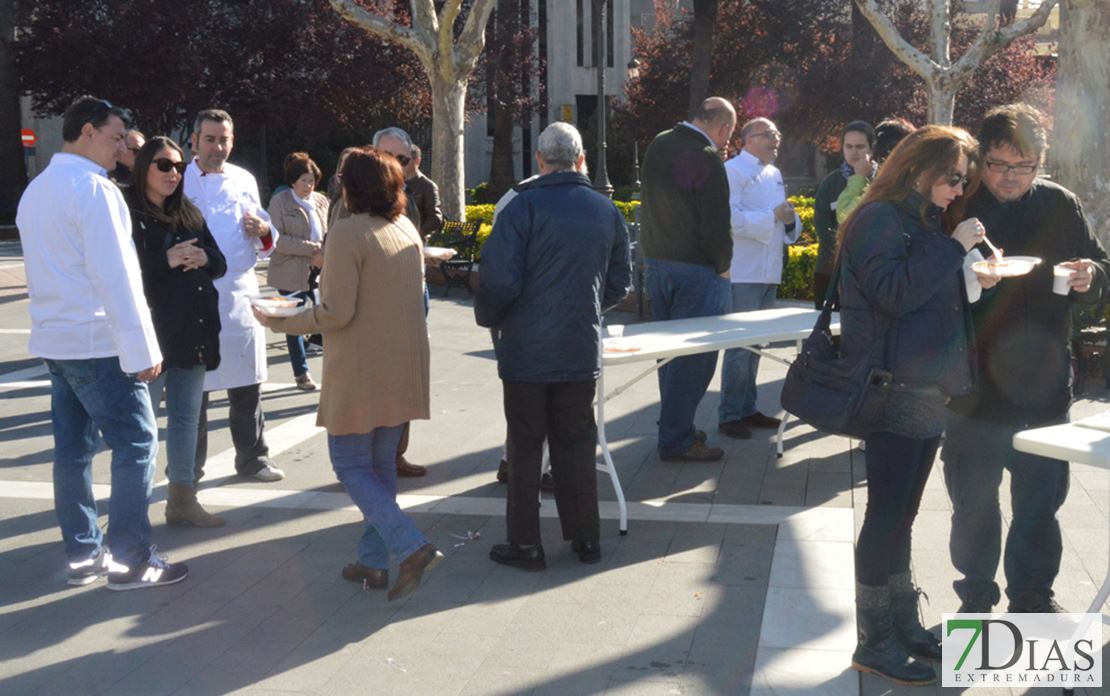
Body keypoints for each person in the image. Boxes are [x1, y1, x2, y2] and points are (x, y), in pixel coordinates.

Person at [253, 146, 444, 601]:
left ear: (353, 186)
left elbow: (335, 313)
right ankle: (373, 563)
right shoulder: (404, 228)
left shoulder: (348, 233)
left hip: (362, 370)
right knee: (378, 467)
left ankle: (410, 546)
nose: (335, 183)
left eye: (342, 177)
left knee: (351, 463)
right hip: (402, 366)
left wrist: (277, 319)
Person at [943, 103, 1108, 614]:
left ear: (1040, 161)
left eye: (1025, 165)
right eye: (998, 164)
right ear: (979, 159)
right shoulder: (958, 207)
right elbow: (926, 289)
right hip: (974, 385)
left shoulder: (1060, 203)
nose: (1011, 177)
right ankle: (975, 592)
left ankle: (1033, 595)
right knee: (973, 502)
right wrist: (961, 267)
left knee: (1040, 502)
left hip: (1044, 382)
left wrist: (1090, 278)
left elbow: (1099, 266)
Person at [17, 96, 187, 589]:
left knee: (71, 452)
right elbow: (118, 278)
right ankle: (131, 559)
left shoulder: (37, 190)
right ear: (87, 131)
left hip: (57, 340)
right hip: (98, 341)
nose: (123, 150)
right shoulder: (95, 191)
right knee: (135, 444)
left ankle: (83, 554)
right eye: (116, 138)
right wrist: (144, 350)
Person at [838, 125, 985, 685]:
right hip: (894, 387)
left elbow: (925, 295)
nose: (958, 187)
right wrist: (953, 248)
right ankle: (874, 641)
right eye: (953, 177)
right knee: (884, 515)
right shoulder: (880, 218)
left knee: (903, 514)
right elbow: (893, 293)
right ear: (921, 167)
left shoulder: (917, 217)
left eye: (963, 180)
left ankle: (902, 624)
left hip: (926, 386)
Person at [476, 122, 631, 570]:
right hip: (579, 345)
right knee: (576, 443)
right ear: (581, 159)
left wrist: (494, 318)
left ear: (540, 162)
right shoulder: (606, 211)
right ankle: (586, 539)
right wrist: (590, 307)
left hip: (526, 349)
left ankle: (525, 544)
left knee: (525, 447)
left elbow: (499, 280)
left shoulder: (521, 208)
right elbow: (621, 281)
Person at [128, 136, 227, 528]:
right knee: (143, 424)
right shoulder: (128, 212)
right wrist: (165, 259)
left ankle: (182, 500)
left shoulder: (189, 212)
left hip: (194, 329)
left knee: (187, 418)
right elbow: (120, 276)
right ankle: (133, 507)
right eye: (164, 165)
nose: (174, 173)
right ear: (144, 168)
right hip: (150, 335)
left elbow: (219, 262)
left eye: (179, 166)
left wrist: (205, 257)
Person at [184, 109, 284, 483]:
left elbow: (266, 238)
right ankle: (188, 468)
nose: (218, 147)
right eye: (210, 139)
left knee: (247, 384)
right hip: (194, 295)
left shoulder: (244, 178)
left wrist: (263, 229)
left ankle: (253, 459)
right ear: (195, 141)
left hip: (240, 293)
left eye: (224, 139)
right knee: (195, 391)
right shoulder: (179, 180)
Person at [639, 96, 736, 462]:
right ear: (723, 127)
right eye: (730, 133)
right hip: (697, 270)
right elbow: (715, 222)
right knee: (695, 360)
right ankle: (676, 439)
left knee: (668, 357)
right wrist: (723, 264)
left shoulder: (659, 143)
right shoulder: (708, 156)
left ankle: (673, 427)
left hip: (658, 265)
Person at [717, 118, 802, 439]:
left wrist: (790, 220)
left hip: (769, 270)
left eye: (777, 134)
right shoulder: (733, 170)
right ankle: (729, 413)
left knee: (756, 343)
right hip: (744, 270)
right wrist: (772, 217)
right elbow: (729, 219)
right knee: (740, 345)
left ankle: (747, 407)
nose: (776, 140)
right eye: (770, 135)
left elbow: (783, 223)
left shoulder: (775, 174)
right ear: (749, 138)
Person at [370, 126, 428, 478]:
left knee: (406, 377)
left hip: (412, 296)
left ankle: (395, 452)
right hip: (374, 307)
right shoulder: (353, 198)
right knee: (376, 380)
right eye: (388, 157)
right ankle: (369, 459)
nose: (396, 165)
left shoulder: (409, 194)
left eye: (403, 159)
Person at [267, 152, 330, 391]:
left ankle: (332, 370)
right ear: (293, 180)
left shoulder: (322, 201)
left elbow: (329, 232)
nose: (308, 185)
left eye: (312, 180)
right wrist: (312, 248)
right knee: (292, 322)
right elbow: (277, 240)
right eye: (303, 180)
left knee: (326, 319)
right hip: (290, 271)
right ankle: (301, 372)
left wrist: (324, 251)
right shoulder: (281, 202)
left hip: (319, 270)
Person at [813, 121, 875, 309]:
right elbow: (823, 228)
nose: (854, 152)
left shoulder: (883, 181)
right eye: (849, 146)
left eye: (860, 146)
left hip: (870, 271)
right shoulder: (830, 184)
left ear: (871, 149)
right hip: (831, 271)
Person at [837, 117, 916, 225]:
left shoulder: (885, 186)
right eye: (849, 147)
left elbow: (846, 218)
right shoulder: (919, 182)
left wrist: (859, 179)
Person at [406, 144, 444, 239]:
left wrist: (418, 233)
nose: (400, 163)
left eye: (405, 159)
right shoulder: (396, 183)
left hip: (415, 240)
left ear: (417, 161)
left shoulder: (428, 186)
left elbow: (435, 218)